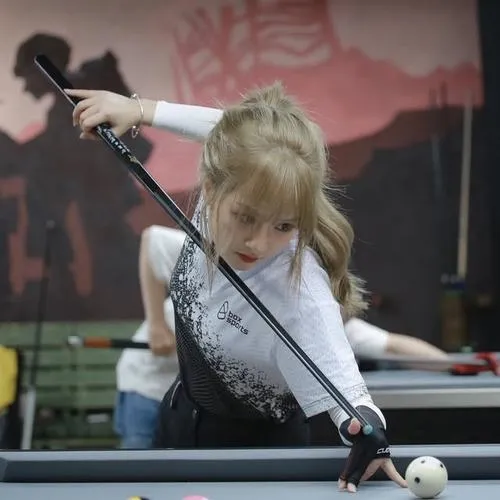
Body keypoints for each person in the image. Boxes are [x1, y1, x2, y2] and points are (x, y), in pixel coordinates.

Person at [68, 82, 407, 493]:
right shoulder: (225, 189)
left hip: (258, 455)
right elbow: (236, 133)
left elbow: (350, 394)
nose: (258, 243)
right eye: (246, 218)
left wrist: (366, 429)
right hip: (177, 420)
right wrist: (139, 110)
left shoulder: (301, 288)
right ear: (211, 190)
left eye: (284, 225)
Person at [114, 224, 448, 450]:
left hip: (211, 410)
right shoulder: (234, 261)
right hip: (149, 383)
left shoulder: (318, 322)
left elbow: (395, 345)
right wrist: (156, 324)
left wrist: (453, 365)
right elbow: (153, 240)